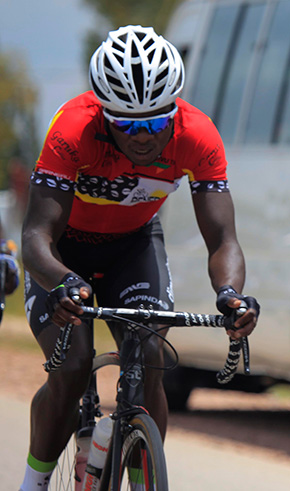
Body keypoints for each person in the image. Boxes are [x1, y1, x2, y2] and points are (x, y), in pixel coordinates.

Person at [18, 25, 259, 490]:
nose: (144, 136)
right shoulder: (73, 128)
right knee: (71, 369)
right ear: (105, 114)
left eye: (156, 122)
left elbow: (223, 239)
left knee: (150, 355)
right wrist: (63, 281)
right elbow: (35, 236)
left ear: (176, 109)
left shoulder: (198, 134)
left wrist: (231, 294)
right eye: (129, 125)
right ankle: (34, 482)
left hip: (133, 245)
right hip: (63, 255)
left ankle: (141, 477)